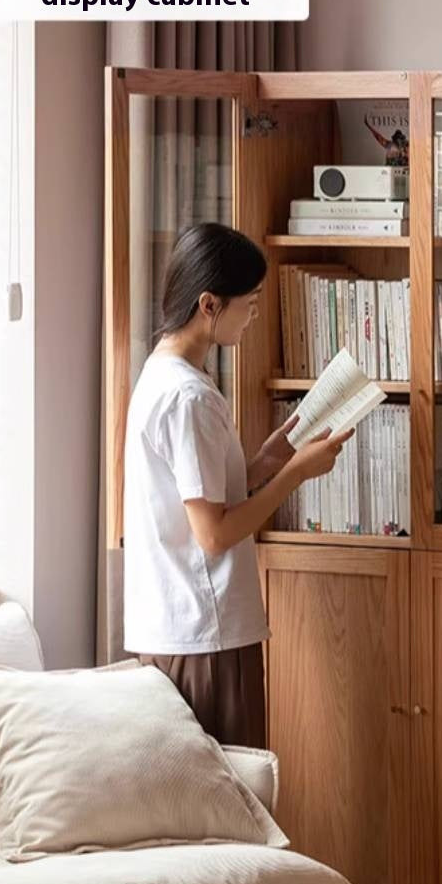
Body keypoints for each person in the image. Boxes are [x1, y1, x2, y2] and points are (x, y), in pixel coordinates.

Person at [122, 221, 352, 745]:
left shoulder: (163, 375)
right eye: (247, 303)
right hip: (206, 633)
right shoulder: (190, 398)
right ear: (208, 304)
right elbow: (214, 534)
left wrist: (263, 463)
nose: (252, 315)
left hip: (178, 628)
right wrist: (296, 475)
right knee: (236, 801)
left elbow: (192, 501)